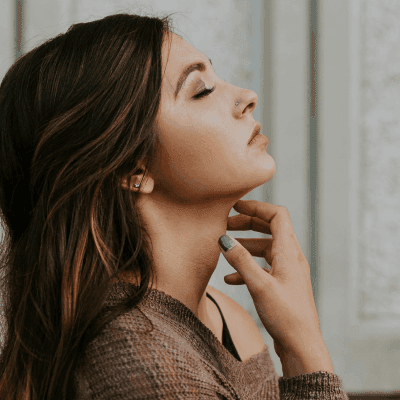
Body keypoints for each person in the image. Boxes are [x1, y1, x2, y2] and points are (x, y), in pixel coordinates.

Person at [0, 12, 349, 399]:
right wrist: (306, 349)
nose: (246, 97)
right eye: (201, 90)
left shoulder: (223, 316)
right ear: (132, 166)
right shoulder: (143, 366)